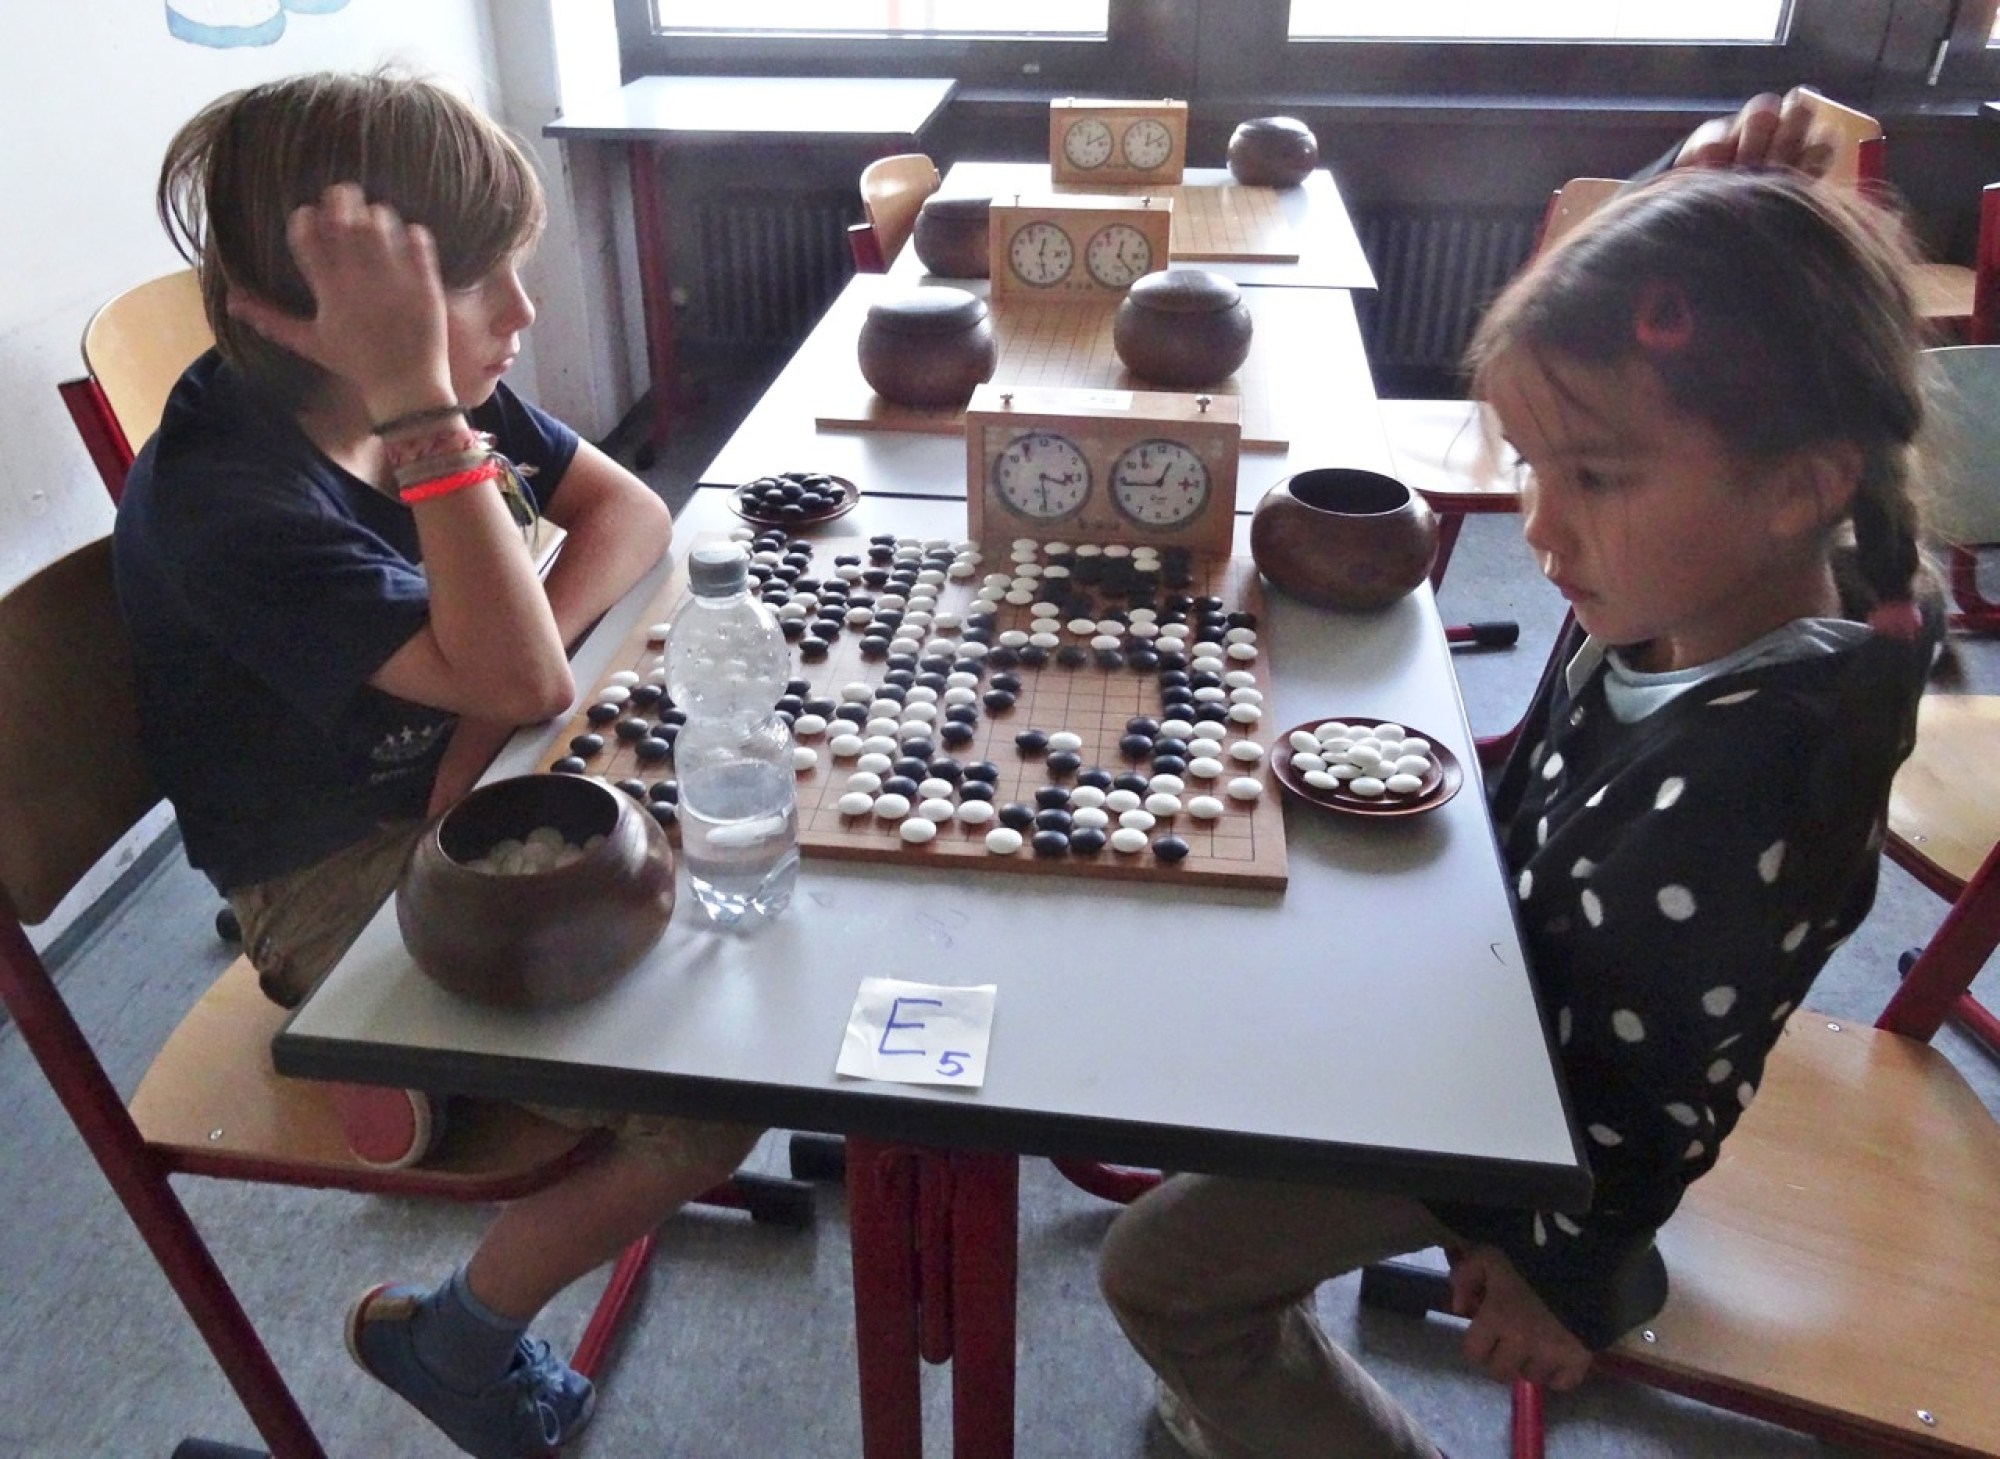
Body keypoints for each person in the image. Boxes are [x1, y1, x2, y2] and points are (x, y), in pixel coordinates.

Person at [1097, 167, 1942, 1459]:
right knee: (1223, 1030)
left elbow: (1670, 1085)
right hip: (1490, 1016)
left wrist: (1566, 1271)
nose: (1539, 530)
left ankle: (1273, 1401)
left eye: (1594, 478)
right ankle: (1255, 1352)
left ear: (1797, 490)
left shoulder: (1746, 777)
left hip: (1525, 1127)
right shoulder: (1694, 597)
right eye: (1536, 469)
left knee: (1157, 1273)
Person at [114, 72, 759, 1459]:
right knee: (713, 1097)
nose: (523, 315)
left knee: (752, 860)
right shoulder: (242, 503)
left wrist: (480, 721)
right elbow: (527, 678)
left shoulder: (409, 384)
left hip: (466, 784)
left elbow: (628, 512)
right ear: (322, 318)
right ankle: (452, 1338)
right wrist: (425, 416)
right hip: (327, 878)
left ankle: (454, 1065)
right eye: (477, 285)